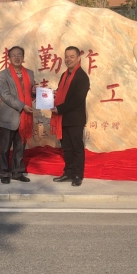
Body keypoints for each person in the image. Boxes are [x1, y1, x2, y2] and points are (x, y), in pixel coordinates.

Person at [0, 46, 35, 184]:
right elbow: (5, 95)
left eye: (19, 55)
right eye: (13, 55)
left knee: (20, 147)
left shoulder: (30, 73)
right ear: (9, 58)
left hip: (25, 117)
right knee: (5, 148)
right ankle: (4, 174)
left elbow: (30, 94)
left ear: (23, 57)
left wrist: (35, 93)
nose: (17, 57)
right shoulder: (1, 75)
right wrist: (22, 106)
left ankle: (17, 172)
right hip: (9, 117)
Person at [51, 46, 90, 187]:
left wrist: (59, 108)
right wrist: (53, 95)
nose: (68, 59)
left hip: (75, 120)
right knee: (66, 148)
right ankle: (68, 173)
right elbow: (63, 94)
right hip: (63, 119)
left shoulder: (82, 77)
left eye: (72, 56)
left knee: (76, 148)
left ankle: (78, 175)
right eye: (66, 56)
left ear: (78, 58)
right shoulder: (64, 75)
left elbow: (77, 99)